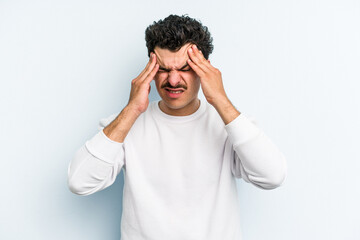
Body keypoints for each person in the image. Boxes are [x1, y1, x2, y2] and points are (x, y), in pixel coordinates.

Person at [67, 14, 287, 240]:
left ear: (204, 69)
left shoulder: (229, 125)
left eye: (185, 68)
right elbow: (79, 182)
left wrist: (220, 99)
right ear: (150, 69)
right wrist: (132, 109)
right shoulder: (126, 124)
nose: (173, 81)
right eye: (163, 69)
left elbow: (272, 175)